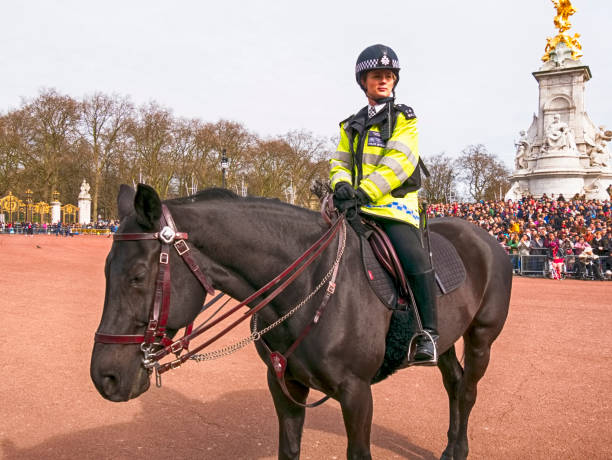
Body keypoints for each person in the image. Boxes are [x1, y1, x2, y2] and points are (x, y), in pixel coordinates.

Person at [329, 44, 437, 364]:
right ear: (364, 81)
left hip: (393, 207)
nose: (384, 81)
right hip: (355, 206)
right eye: (377, 75)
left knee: (412, 257)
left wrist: (363, 191)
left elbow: (399, 161)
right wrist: (342, 186)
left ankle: (428, 333)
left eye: (389, 76)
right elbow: (340, 162)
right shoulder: (350, 124)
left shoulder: (405, 118)